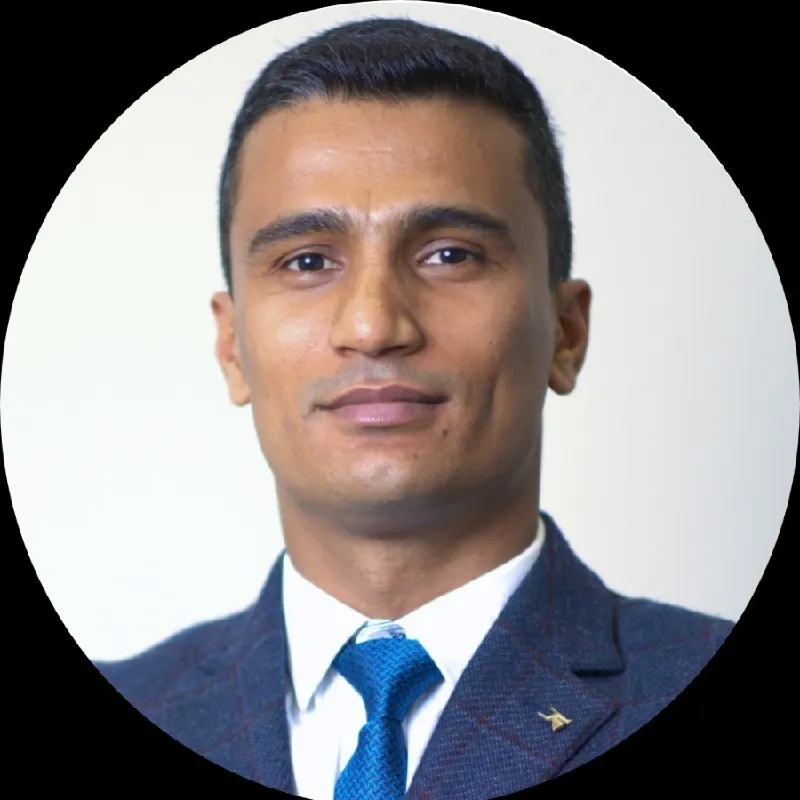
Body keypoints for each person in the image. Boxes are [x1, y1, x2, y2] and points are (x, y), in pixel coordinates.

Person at [95, 17, 733, 799]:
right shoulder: (138, 700)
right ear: (233, 349)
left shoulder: (688, 669)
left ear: (566, 332)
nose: (373, 324)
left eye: (450, 255)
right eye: (307, 261)